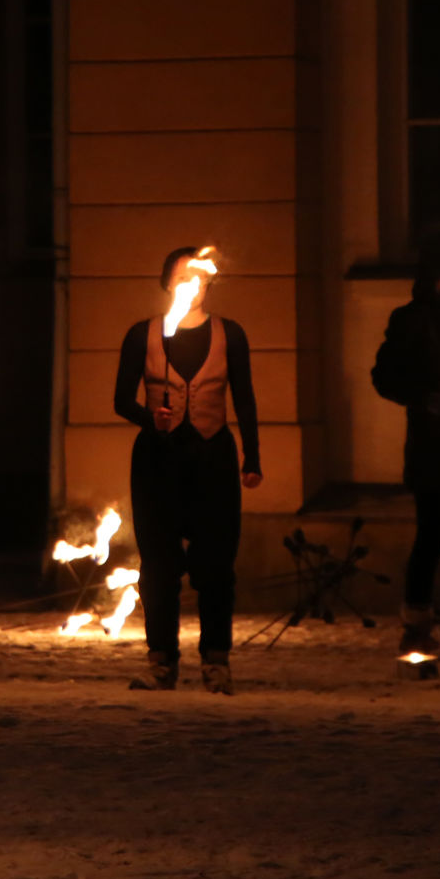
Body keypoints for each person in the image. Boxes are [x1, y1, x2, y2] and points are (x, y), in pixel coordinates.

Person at [111, 247, 262, 694]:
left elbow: (245, 399)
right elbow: (121, 399)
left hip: (213, 460)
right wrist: (147, 418)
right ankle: (162, 663)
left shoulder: (229, 334)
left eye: (198, 275)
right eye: (181, 276)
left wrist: (251, 458)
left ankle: (217, 662)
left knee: (216, 565)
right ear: (166, 283)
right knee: (158, 566)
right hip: (158, 462)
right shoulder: (143, 335)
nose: (190, 284)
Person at [371, 237, 440, 655]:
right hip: (432, 440)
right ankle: (417, 623)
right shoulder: (411, 319)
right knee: (431, 533)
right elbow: (385, 377)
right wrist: (424, 396)